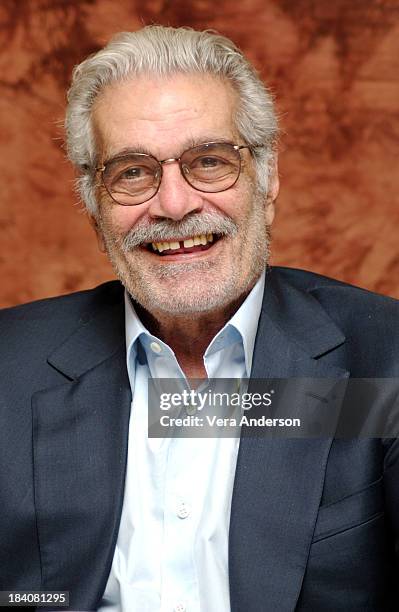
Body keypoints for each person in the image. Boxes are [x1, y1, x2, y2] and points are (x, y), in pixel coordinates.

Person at [0, 25, 398, 612]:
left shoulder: (384, 360)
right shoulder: (9, 366)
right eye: (131, 171)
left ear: (268, 179)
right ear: (93, 204)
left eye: (209, 161)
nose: (175, 204)